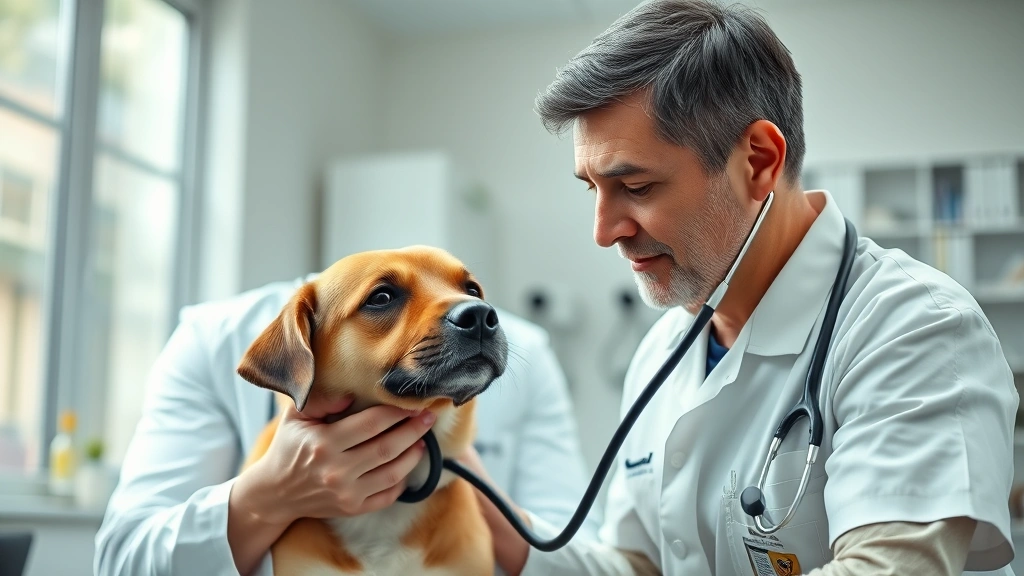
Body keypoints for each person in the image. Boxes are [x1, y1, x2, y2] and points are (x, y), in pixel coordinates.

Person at [465, 1, 1020, 575]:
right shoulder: (663, 351)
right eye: (593, 190)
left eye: (636, 185)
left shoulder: (913, 328)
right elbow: (640, 564)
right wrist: (461, 494)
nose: (605, 233)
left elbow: (886, 567)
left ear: (758, 161)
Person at [93, 272, 598, 576]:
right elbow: (123, 562)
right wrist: (273, 495)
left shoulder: (528, 350)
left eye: (467, 288)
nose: (473, 312)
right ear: (314, 339)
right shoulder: (211, 338)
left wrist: (459, 470)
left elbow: (591, 558)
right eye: (382, 298)